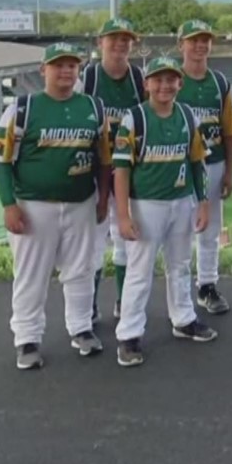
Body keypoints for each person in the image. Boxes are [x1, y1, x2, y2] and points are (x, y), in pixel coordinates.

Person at [0, 43, 110, 369]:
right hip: (33, 206)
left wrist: (104, 197)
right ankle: (27, 339)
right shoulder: (22, 108)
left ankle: (81, 328)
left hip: (81, 202)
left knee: (82, 270)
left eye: (72, 65)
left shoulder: (94, 108)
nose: (67, 71)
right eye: (59, 65)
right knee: (31, 275)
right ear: (44, 70)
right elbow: (0, 161)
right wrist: (8, 204)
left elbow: (104, 161)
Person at [113, 56, 216, 367]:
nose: (164, 86)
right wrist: (123, 214)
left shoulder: (187, 116)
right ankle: (129, 335)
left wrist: (202, 202)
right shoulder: (134, 119)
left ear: (179, 84)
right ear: (146, 84)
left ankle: (183, 318)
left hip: (181, 200)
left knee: (181, 265)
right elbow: (120, 170)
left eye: (170, 80)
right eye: (158, 80)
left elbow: (197, 163)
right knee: (139, 271)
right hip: (146, 204)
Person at [77, 17, 147, 322]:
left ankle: (122, 300)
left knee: (125, 240)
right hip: (93, 171)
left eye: (126, 39)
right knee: (92, 245)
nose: (120, 44)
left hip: (128, 171)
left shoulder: (138, 77)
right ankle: (89, 307)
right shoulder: (88, 78)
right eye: (113, 38)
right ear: (100, 42)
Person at [176, 19, 232, 314]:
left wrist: (229, 171)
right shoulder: (169, 80)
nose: (200, 45)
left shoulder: (220, 83)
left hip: (213, 163)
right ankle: (178, 294)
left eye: (205, 40)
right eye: (193, 40)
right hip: (176, 168)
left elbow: (229, 131)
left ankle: (207, 286)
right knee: (178, 232)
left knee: (210, 230)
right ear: (181, 45)